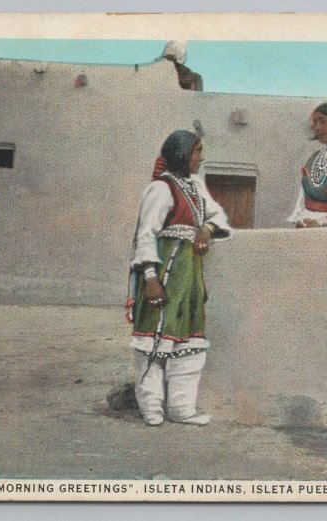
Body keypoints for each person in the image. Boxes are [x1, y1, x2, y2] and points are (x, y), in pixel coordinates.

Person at [125, 129, 232, 426]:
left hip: (191, 274)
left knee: (188, 341)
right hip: (165, 270)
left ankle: (181, 408)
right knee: (155, 340)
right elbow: (145, 233)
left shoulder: (196, 186)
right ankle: (152, 409)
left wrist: (205, 230)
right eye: (197, 152)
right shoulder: (161, 188)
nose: (201, 157)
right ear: (182, 155)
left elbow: (219, 216)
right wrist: (150, 278)